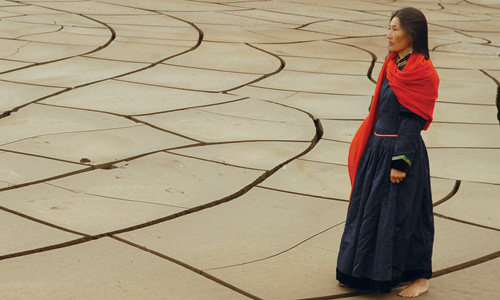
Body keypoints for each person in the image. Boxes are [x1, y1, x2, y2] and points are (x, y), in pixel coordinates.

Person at [336, 7, 439, 298]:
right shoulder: (393, 63)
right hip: (377, 149)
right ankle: (361, 272)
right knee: (368, 212)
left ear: (412, 34)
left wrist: (400, 162)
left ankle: (418, 277)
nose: (389, 35)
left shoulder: (422, 71)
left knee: (406, 217)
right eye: (389, 27)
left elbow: (413, 120)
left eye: (395, 29)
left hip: (399, 153)